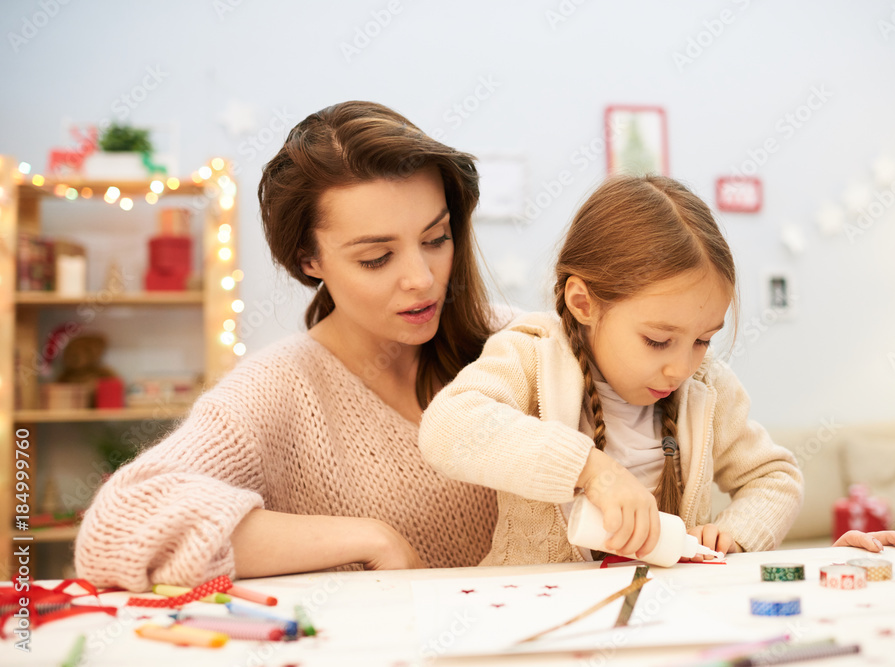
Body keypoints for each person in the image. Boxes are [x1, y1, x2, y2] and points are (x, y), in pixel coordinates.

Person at [74, 101, 501, 591]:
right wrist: (371, 539)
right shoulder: (279, 389)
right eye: (377, 258)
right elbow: (117, 526)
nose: (422, 279)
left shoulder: (521, 348)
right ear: (309, 258)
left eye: (436, 238)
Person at [419, 174, 805, 566]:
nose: (681, 368)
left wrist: (736, 534)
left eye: (702, 340)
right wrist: (592, 470)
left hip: (663, 612)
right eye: (657, 340)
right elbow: (448, 427)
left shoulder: (709, 387)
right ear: (583, 304)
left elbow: (775, 477)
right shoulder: (532, 356)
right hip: (534, 610)